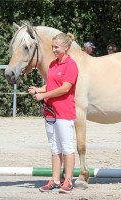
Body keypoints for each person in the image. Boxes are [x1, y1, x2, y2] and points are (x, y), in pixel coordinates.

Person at [28, 32, 79, 193]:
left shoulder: (71, 65)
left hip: (64, 112)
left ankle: (68, 181)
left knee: (67, 147)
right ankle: (55, 179)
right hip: (50, 112)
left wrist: (44, 95)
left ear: (66, 47)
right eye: (52, 47)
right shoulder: (52, 65)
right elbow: (50, 85)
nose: (54, 50)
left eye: (56, 47)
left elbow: (65, 88)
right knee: (54, 148)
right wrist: (38, 89)